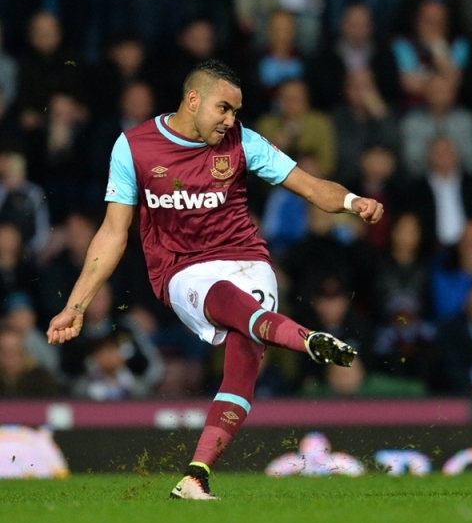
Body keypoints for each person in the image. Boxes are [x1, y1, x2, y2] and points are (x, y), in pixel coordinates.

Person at [45, 60, 384, 500]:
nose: (230, 120)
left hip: (247, 260)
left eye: (235, 112)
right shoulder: (134, 147)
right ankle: (306, 340)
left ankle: (196, 475)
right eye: (224, 109)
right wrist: (75, 306)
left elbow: (310, 186)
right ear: (193, 100)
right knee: (224, 298)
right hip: (181, 268)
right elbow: (112, 233)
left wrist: (354, 202)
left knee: (245, 357)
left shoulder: (243, 142)